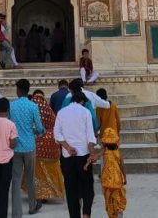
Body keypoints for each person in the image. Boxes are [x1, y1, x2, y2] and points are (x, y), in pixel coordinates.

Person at [54, 90, 98, 218]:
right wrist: (92, 154)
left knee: (71, 189)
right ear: (82, 101)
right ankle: (86, 214)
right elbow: (90, 136)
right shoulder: (85, 112)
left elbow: (57, 134)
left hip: (68, 157)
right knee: (87, 187)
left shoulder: (61, 112)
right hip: (84, 156)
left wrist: (68, 147)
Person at [9, 78, 45, 217]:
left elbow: (9, 125)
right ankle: (32, 206)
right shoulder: (33, 106)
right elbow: (40, 127)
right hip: (30, 146)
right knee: (30, 177)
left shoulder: (12, 106)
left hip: (16, 147)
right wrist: (38, 132)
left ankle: (16, 212)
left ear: (18, 90)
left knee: (16, 179)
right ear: (28, 91)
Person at [30, 90, 65, 202]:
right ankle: (50, 191)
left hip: (36, 144)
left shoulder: (31, 111)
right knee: (50, 169)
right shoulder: (50, 113)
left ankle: (40, 194)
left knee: (38, 171)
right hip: (51, 143)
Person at [97, 127, 127, 218]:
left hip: (107, 181)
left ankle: (112, 215)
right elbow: (122, 166)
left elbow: (98, 154)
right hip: (117, 180)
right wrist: (125, 177)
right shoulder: (118, 153)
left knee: (109, 199)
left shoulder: (104, 151)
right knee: (118, 198)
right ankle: (119, 213)